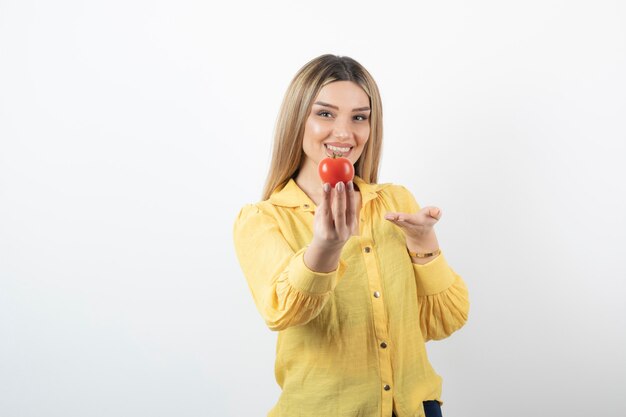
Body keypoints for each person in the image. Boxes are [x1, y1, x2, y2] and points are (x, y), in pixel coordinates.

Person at [233, 54, 470, 417]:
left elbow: (443, 321)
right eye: (325, 114)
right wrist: (324, 249)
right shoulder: (262, 220)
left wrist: (425, 245)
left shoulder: (396, 202)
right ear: (298, 120)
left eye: (359, 117)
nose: (345, 133)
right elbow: (283, 313)